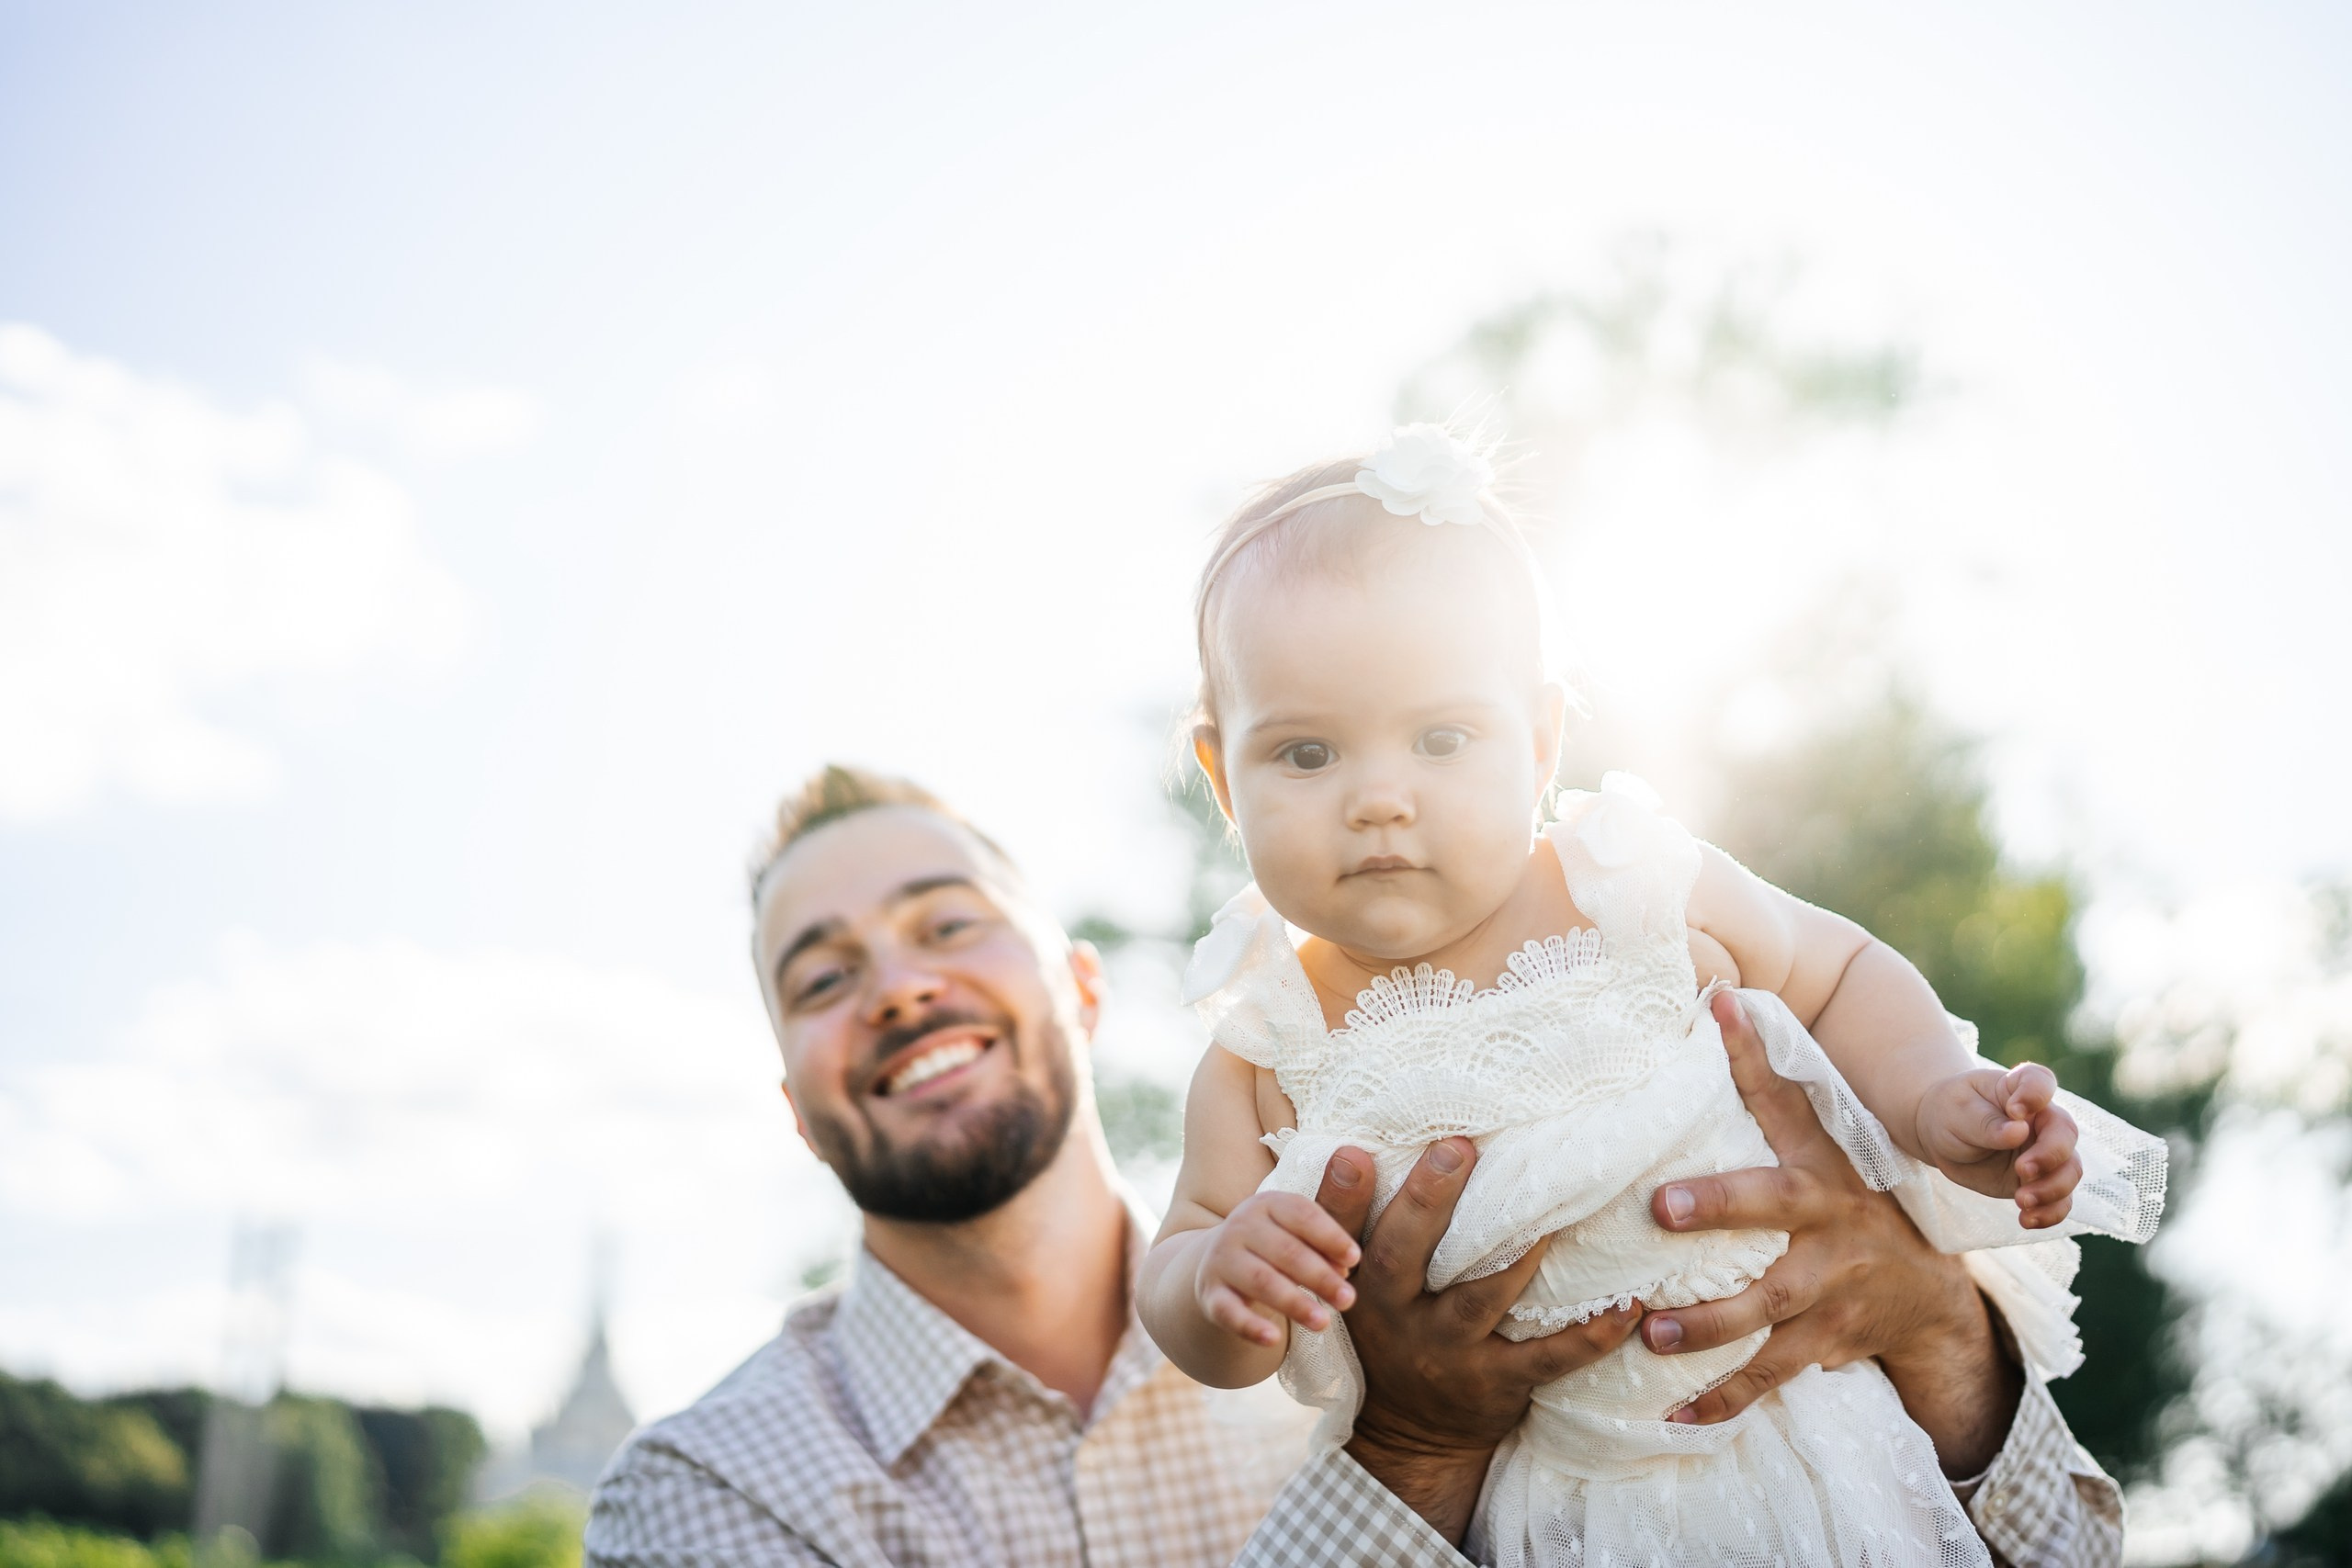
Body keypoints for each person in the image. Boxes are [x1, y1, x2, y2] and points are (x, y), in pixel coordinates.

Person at [584, 763, 2128, 1568]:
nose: (901, 984)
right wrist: (1412, 1444)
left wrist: (1928, 1324)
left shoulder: (1424, 1205)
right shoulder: (716, 1493)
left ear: (1086, 989)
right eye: (822, 972)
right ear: (791, 1098)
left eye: (943, 921)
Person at [1139, 426, 2165, 1566]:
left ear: (1537, 744)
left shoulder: (1628, 882)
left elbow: (1836, 973)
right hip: (1558, 1512)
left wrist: (1931, 1095)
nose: (1380, 797)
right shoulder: (1264, 1044)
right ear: (1224, 778)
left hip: (1814, 1436)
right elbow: (1183, 1259)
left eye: (1440, 738)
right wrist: (1221, 1285)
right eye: (1305, 754)